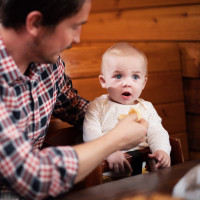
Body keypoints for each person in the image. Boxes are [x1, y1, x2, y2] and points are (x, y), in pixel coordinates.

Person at [0, 1, 147, 199]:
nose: (77, 38)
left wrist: (120, 115)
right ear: (35, 23)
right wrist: (116, 139)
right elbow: (33, 176)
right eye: (74, 26)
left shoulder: (48, 64)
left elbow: (75, 108)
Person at [83, 42, 171, 178]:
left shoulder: (146, 108)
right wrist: (108, 151)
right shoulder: (98, 106)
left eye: (135, 77)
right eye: (118, 76)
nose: (127, 83)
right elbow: (91, 134)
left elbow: (157, 132)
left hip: (142, 171)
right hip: (107, 173)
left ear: (144, 83)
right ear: (103, 81)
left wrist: (161, 150)